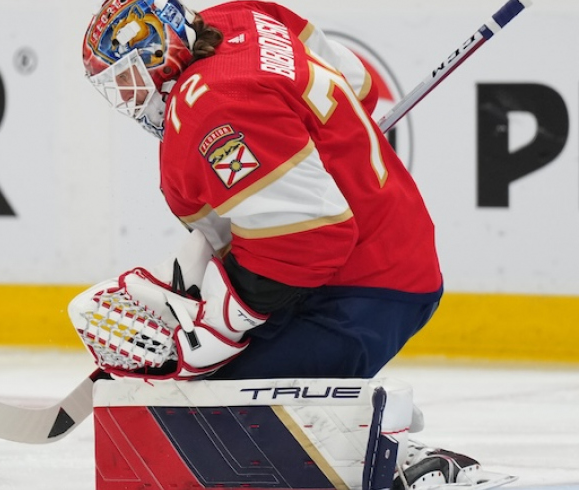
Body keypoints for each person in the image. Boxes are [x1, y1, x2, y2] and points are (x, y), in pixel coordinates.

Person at [72, 1, 516, 490]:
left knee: (209, 426)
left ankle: (394, 458)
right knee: (205, 403)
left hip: (364, 288)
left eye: (127, 79)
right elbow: (359, 82)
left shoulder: (212, 107)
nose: (130, 99)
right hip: (373, 254)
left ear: (159, 53)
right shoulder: (240, 17)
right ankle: (353, 424)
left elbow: (309, 240)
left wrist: (216, 327)